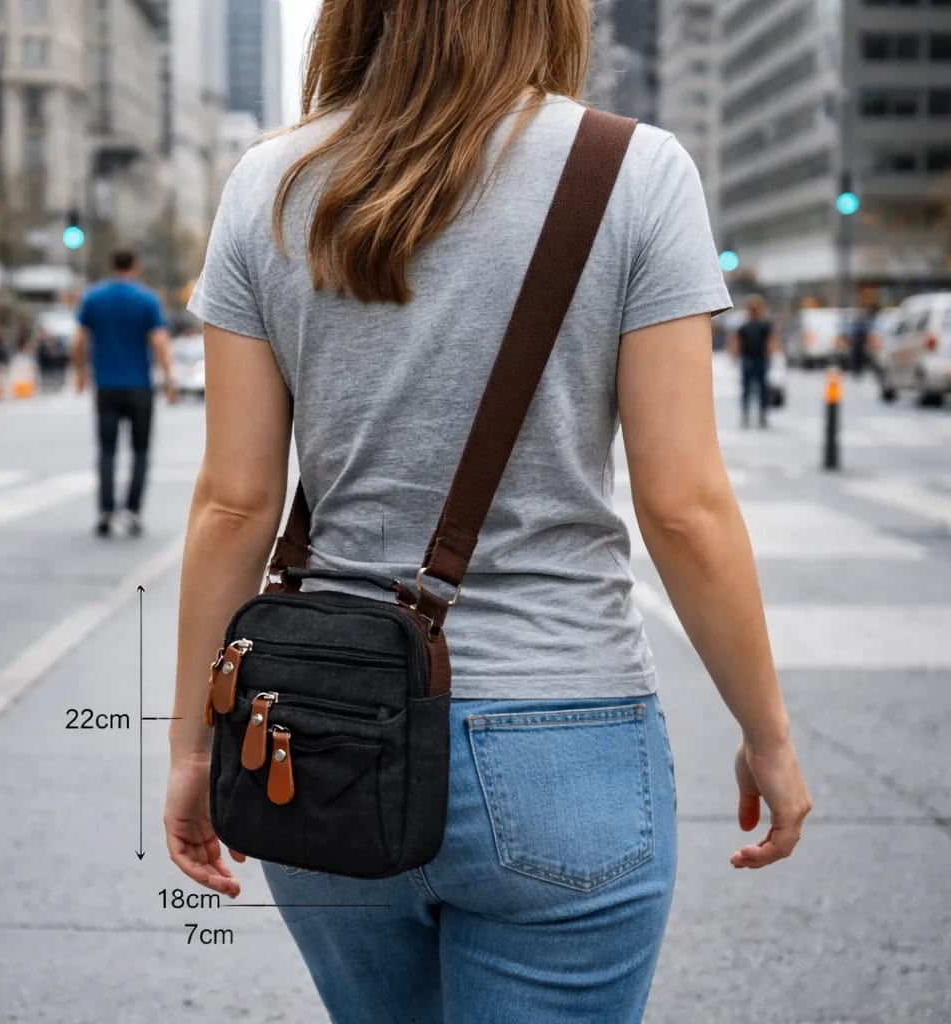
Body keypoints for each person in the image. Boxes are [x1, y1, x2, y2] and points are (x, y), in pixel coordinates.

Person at [164, 3, 812, 1021]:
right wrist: (764, 730)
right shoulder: (634, 172)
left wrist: (193, 747)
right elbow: (683, 507)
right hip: (565, 734)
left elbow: (232, 502)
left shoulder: (272, 183)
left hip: (323, 732)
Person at [72, 249, 176, 537]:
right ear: (136, 266)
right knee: (140, 451)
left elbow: (79, 340)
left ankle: (105, 510)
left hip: (106, 387)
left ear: (111, 265)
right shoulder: (147, 300)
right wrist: (168, 380)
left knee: (107, 450)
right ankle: (132, 510)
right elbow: (159, 343)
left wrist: (80, 373)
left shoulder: (93, 297)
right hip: (139, 387)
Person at [729, 294, 778, 428]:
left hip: (761, 360)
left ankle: (763, 417)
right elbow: (737, 342)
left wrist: (773, 355)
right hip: (747, 360)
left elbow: (771, 341)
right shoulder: (744, 326)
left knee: (763, 390)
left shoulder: (765, 325)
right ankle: (745, 416)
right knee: (746, 390)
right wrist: (734, 356)